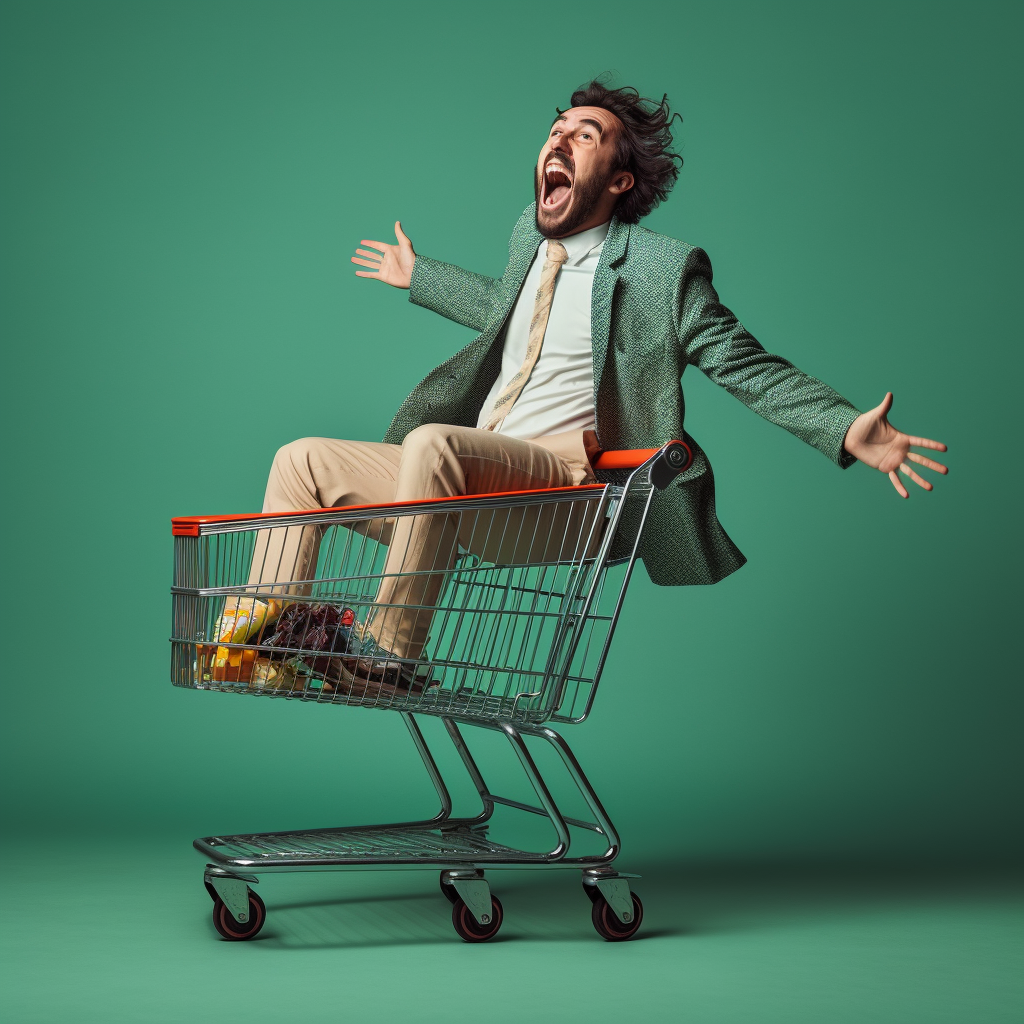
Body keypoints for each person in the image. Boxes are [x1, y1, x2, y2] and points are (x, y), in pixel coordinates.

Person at [231, 79, 947, 697]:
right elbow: (506, 314)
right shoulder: (528, 239)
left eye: (586, 133)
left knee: (433, 445)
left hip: (568, 491)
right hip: (472, 478)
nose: (560, 139)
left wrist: (844, 427)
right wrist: (421, 277)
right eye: (556, 129)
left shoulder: (664, 272)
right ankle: (265, 638)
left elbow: (743, 364)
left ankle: (388, 657)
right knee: (302, 461)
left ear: (620, 180)